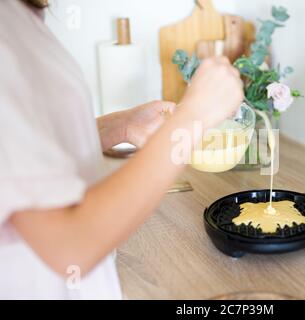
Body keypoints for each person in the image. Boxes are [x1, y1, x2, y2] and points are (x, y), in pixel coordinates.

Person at [0, 0, 243, 299]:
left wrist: (120, 126)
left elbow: (28, 149)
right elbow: (71, 245)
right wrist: (192, 116)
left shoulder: (18, 16)